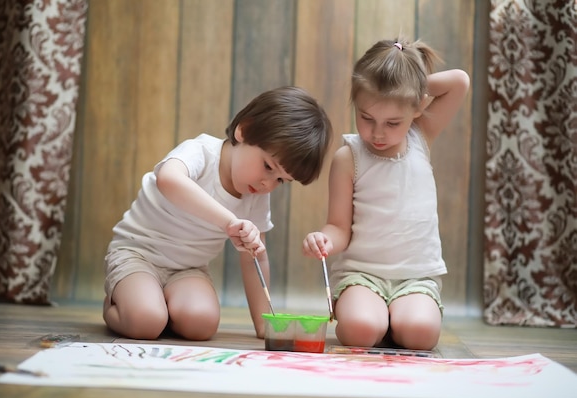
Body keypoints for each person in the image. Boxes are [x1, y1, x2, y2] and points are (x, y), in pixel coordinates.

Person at [103, 86, 333, 341]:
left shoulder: (256, 195)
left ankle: (158, 307)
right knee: (145, 321)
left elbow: (255, 259)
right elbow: (168, 180)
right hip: (138, 255)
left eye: (281, 180)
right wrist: (228, 221)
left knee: (201, 324)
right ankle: (118, 305)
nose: (268, 183)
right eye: (268, 166)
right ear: (243, 130)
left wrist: (263, 324)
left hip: (188, 269)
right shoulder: (201, 152)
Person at [302, 37, 470, 350]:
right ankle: (376, 316)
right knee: (359, 330)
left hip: (415, 277)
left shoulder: (421, 137)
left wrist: (408, 85)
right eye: (366, 118)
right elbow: (338, 227)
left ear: (418, 108)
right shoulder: (348, 157)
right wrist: (324, 240)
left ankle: (398, 317)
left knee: (420, 334)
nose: (378, 133)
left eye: (393, 122)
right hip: (362, 275)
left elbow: (459, 81)